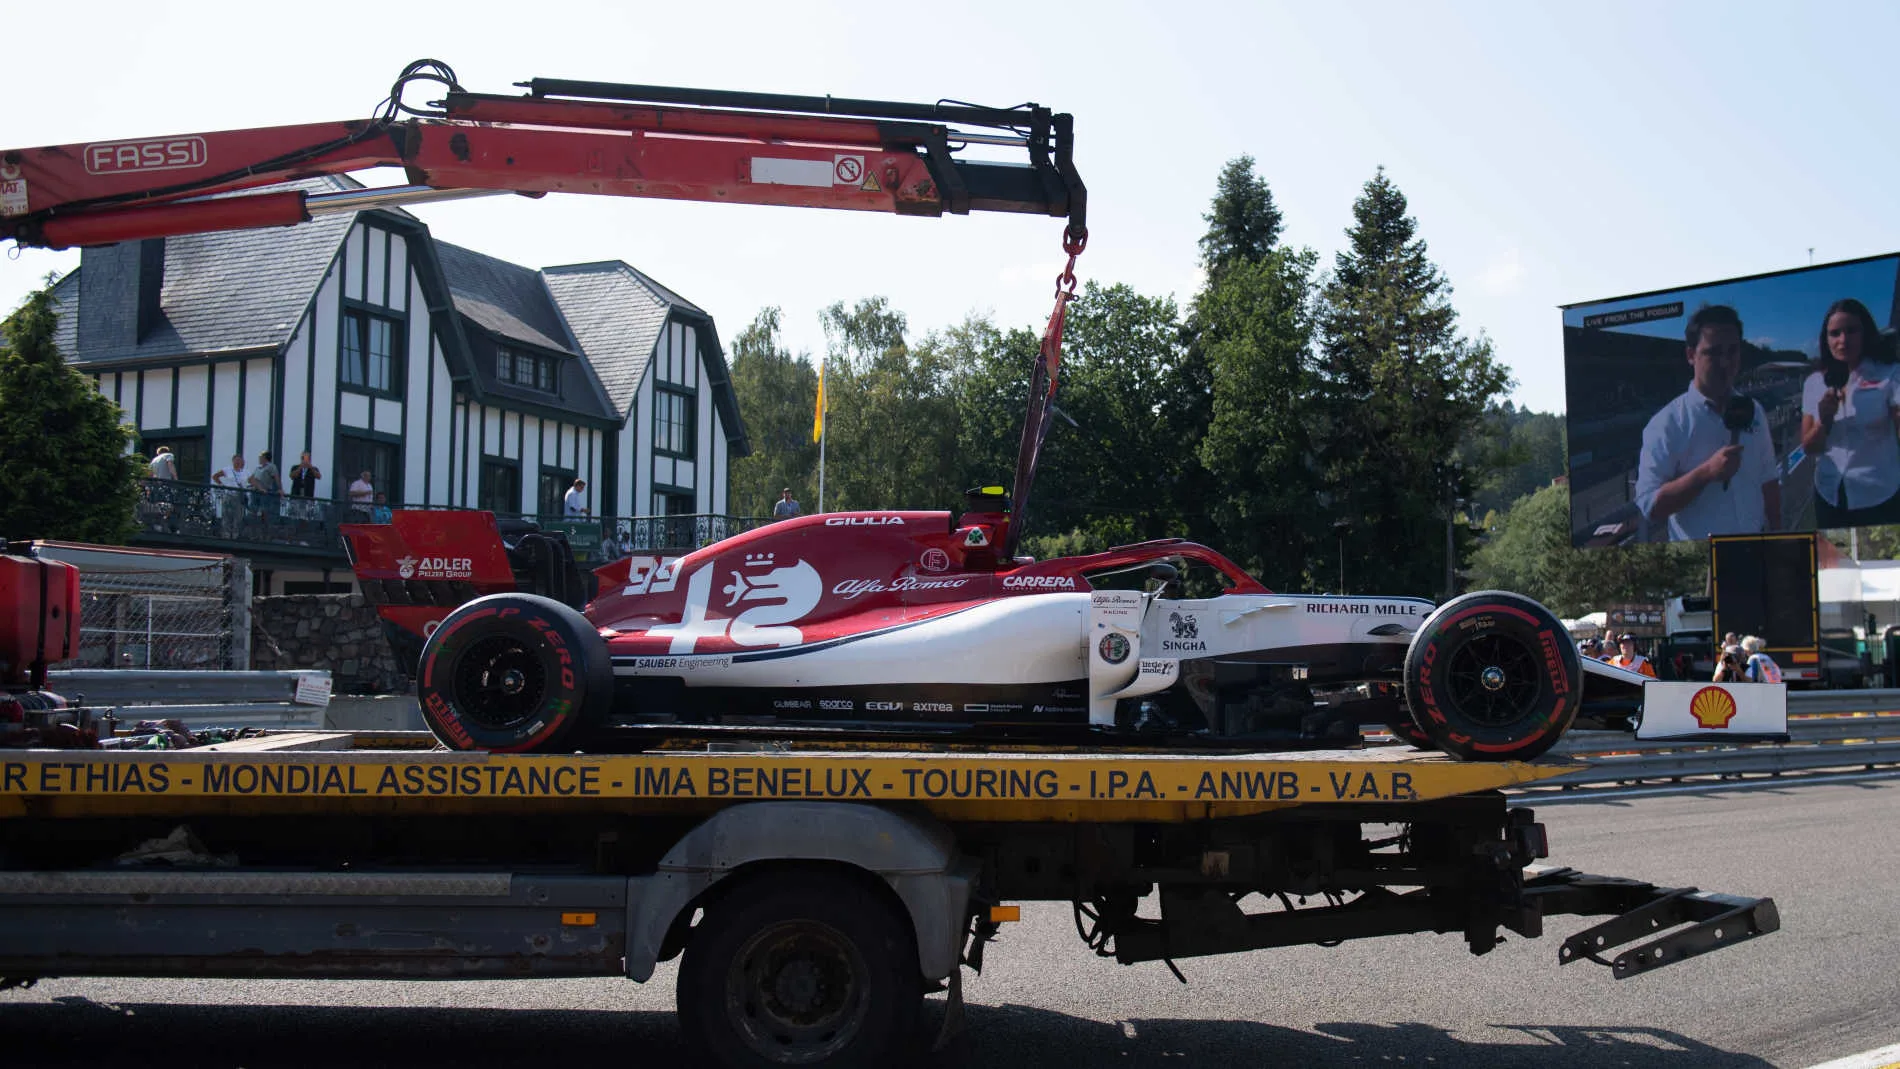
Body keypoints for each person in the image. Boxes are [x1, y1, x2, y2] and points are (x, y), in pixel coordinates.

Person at [1633, 305, 1781, 541]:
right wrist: (1706, 472)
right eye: (1713, 353)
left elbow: (1769, 479)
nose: (1725, 362)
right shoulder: (1666, 423)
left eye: (1732, 351)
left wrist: (1779, 534)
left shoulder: (1754, 411)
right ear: (1691, 355)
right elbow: (1649, 506)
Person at [1798, 298, 1900, 528]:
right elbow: (1808, 447)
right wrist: (1824, 422)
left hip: (1878, 495)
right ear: (1826, 339)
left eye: (1851, 331)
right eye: (1835, 333)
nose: (1843, 340)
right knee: (1834, 563)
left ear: (1866, 333)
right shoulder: (1814, 382)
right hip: (1828, 495)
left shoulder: (1890, 374)